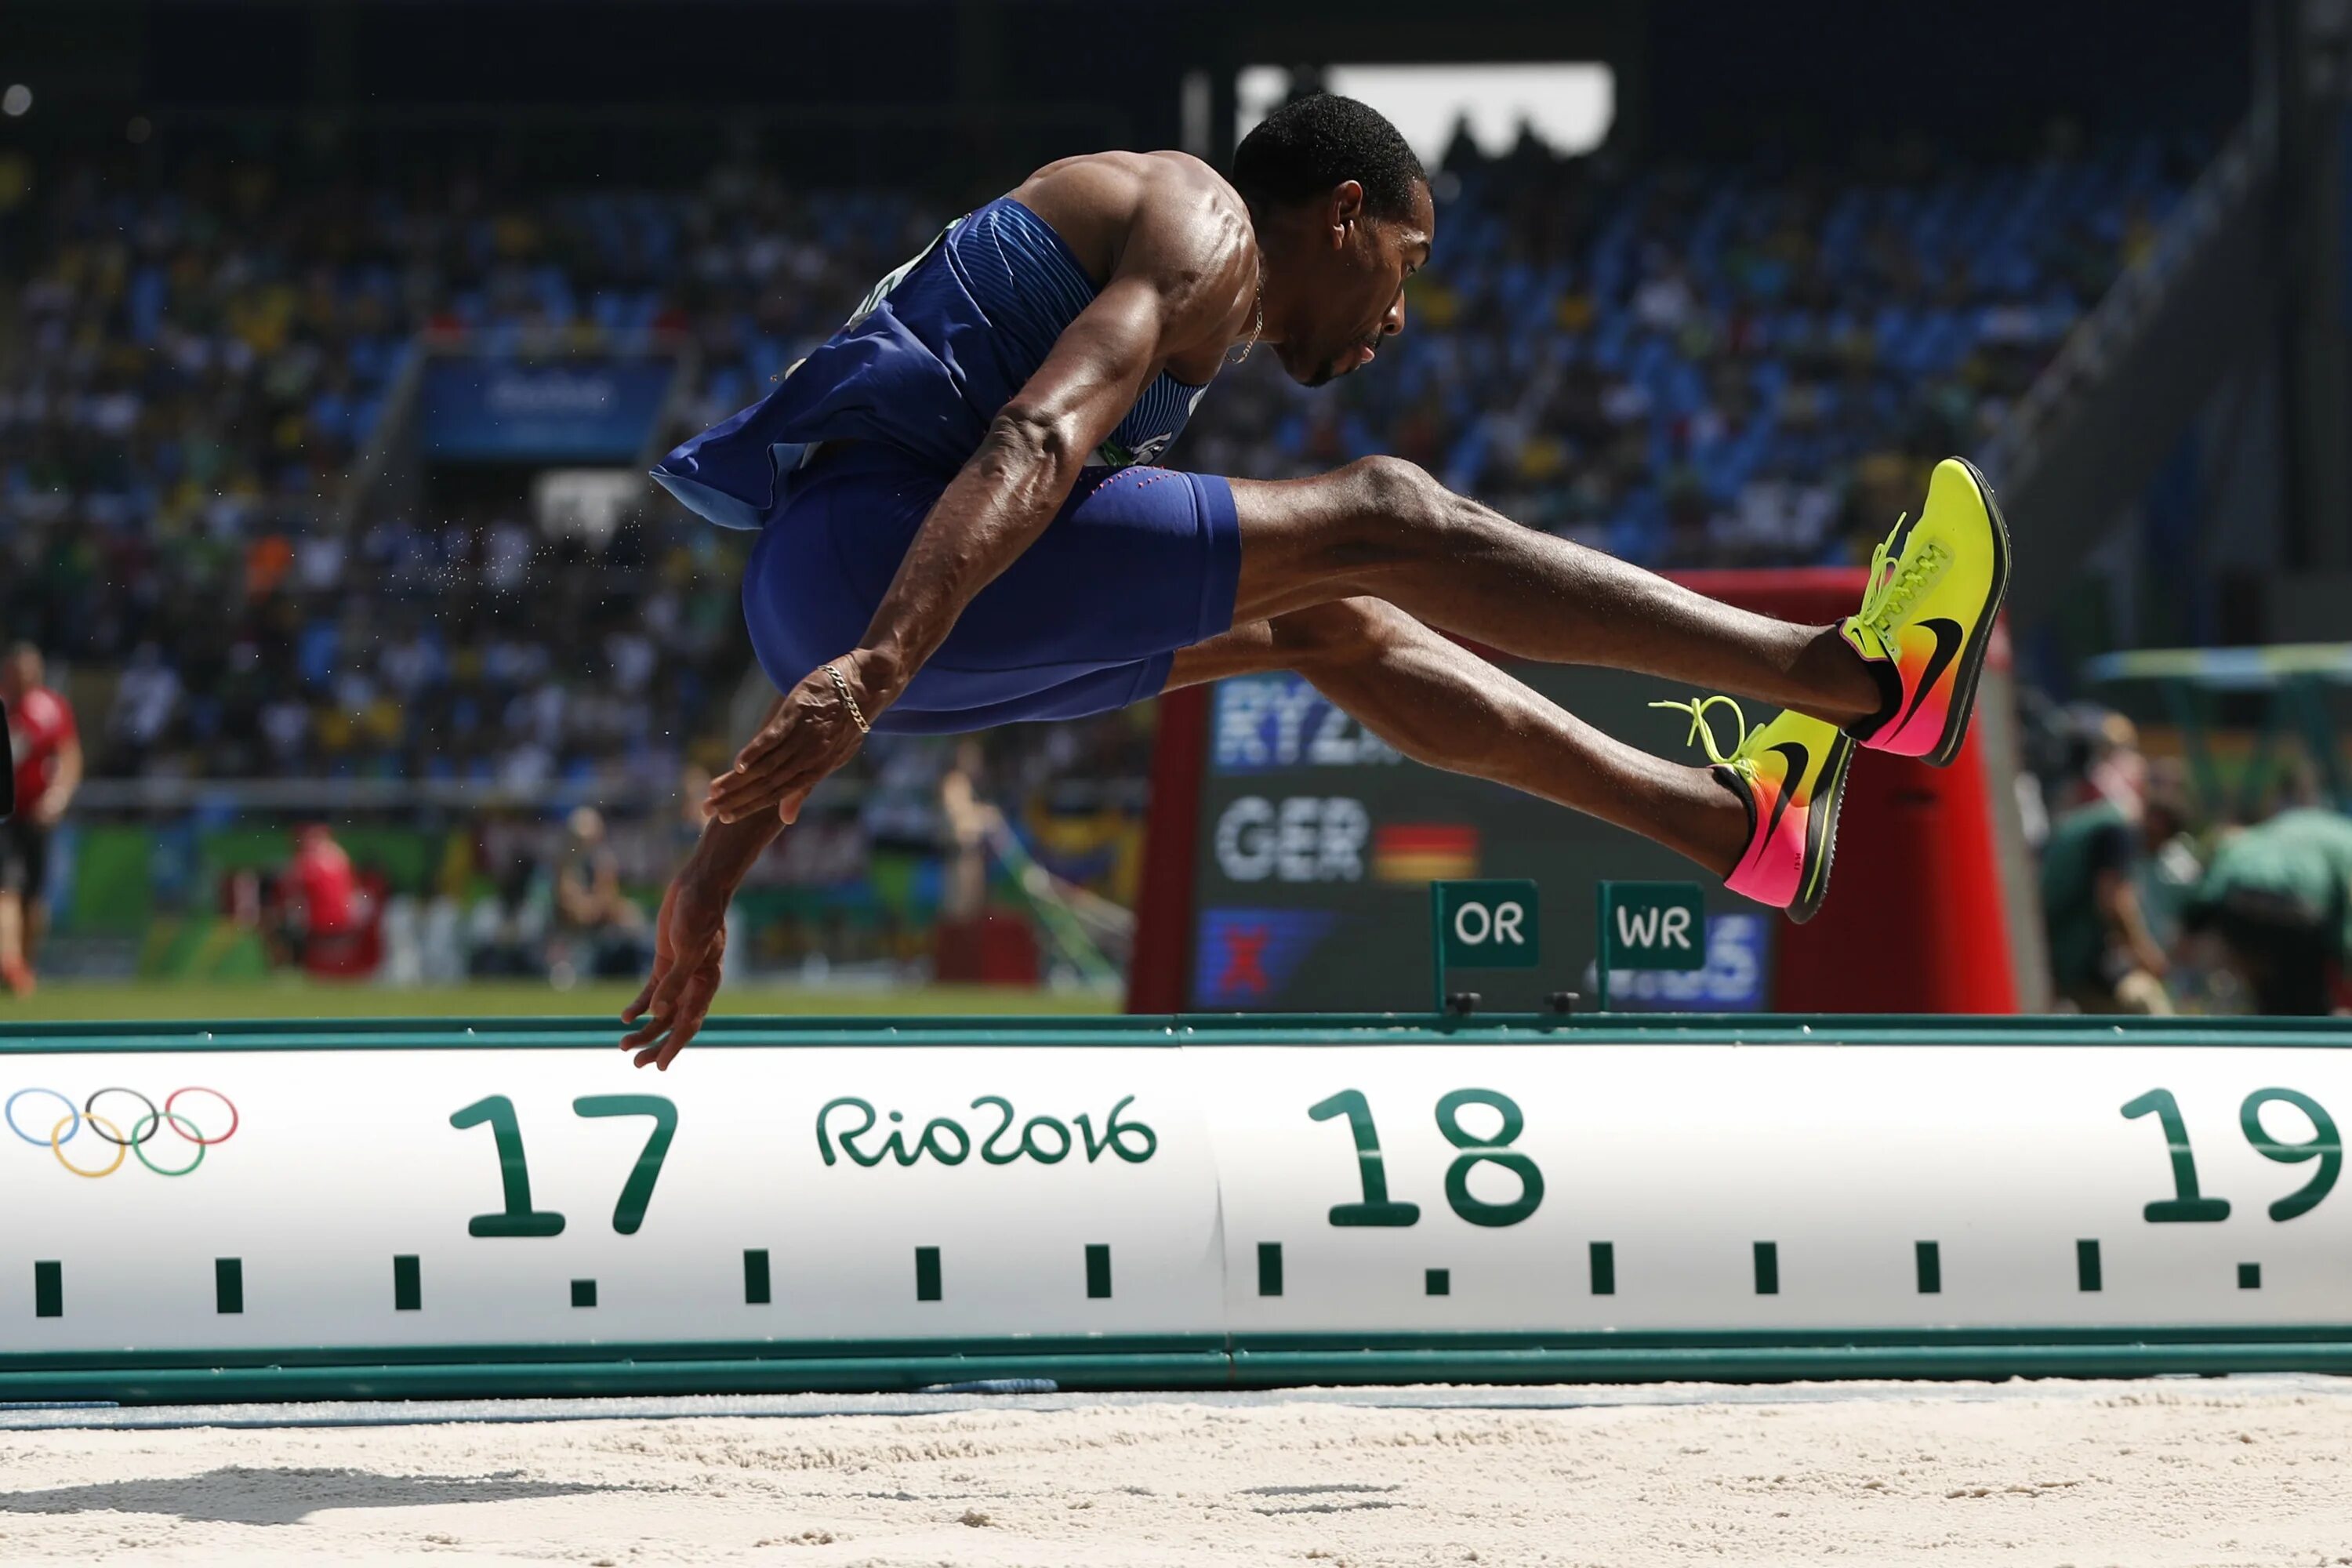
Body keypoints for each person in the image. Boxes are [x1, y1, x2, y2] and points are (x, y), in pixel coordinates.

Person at [622, 94, 2011, 1066]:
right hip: (889, 574)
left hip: (838, 597)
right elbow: (1036, 434)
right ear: (1344, 215)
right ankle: (1856, 679)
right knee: (1387, 512)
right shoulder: (1205, 225)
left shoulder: (1173, 278)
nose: (1398, 317)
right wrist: (868, 668)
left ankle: (1735, 831)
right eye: (1402, 267)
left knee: (1333, 623)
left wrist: (710, 882)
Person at [2038, 713, 2184, 1014]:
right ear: (2157, 824)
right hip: (2068, 953)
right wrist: (2149, 957)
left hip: (2048, 947)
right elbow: (2115, 901)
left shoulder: (2097, 817)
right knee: (2149, 1008)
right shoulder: (2117, 829)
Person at [2180, 807, 2352, 1016]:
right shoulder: (2344, 841)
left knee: (2266, 993)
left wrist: (2192, 924)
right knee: (2305, 1005)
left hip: (2240, 907)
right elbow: (2344, 915)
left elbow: (2212, 888)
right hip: (2297, 915)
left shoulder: (2259, 835)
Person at [1, 644, 82, 997]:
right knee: (7, 891)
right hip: (5, 817)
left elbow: (69, 756)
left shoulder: (52, 708)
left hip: (38, 816)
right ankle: (11, 963)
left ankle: (23, 967)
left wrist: (58, 797)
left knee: (34, 900)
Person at [554, 806, 648, 981]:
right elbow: (574, 910)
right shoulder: (566, 866)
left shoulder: (604, 862)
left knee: (633, 916)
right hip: (573, 933)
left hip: (601, 926)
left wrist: (600, 906)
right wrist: (594, 906)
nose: (585, 845)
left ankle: (645, 969)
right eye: (580, 840)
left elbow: (608, 899)